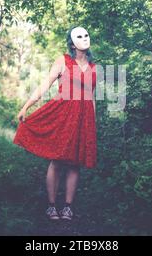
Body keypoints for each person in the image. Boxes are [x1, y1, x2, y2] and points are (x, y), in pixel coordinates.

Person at [13, 26, 97, 221]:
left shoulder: (94, 67)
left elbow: (92, 96)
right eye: (79, 36)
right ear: (72, 42)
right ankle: (51, 206)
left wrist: (93, 123)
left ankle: (68, 207)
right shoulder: (63, 61)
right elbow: (45, 85)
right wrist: (26, 106)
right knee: (57, 160)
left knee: (75, 163)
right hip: (63, 114)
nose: (84, 38)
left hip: (84, 118)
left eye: (86, 35)